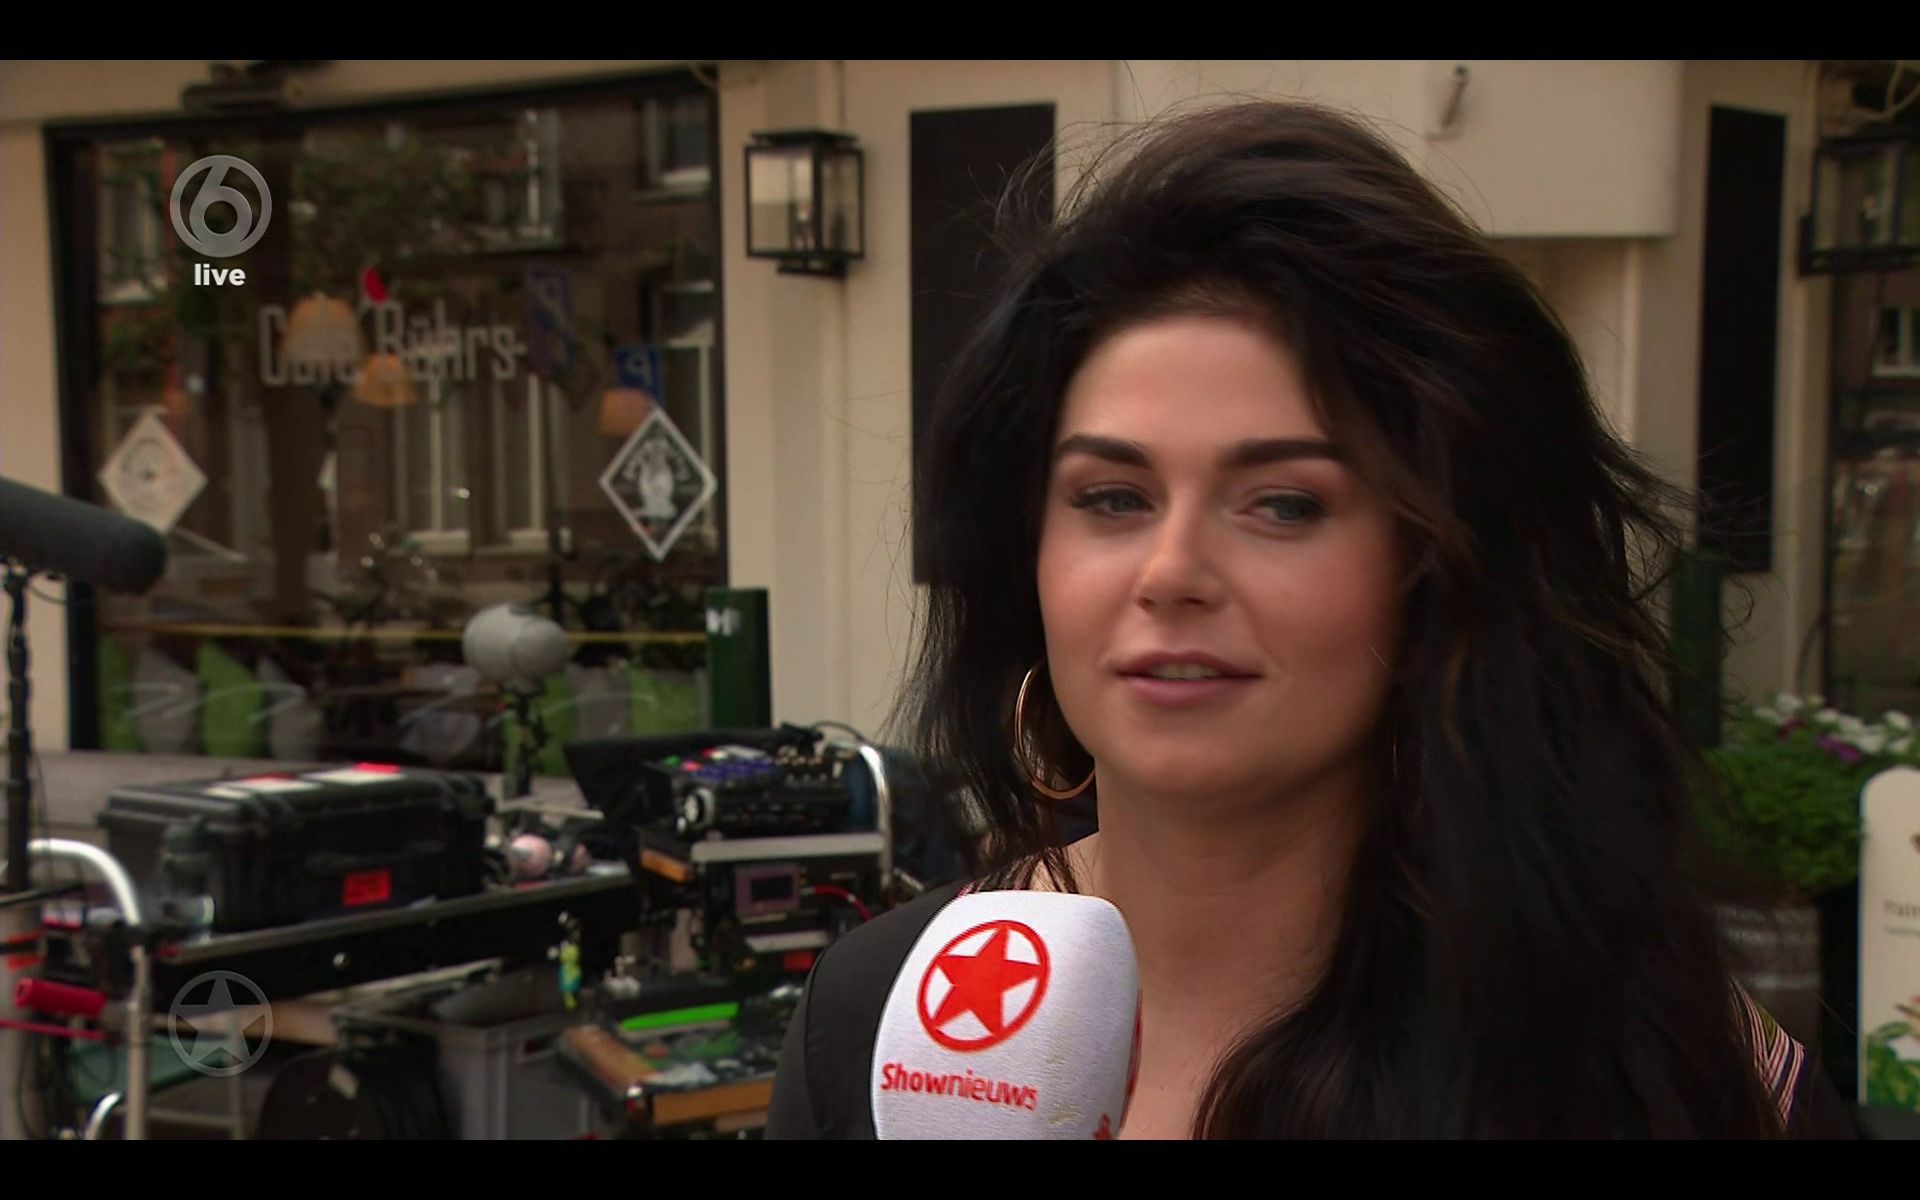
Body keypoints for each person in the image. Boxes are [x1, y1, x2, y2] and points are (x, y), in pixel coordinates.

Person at [765, 99, 1858, 1139]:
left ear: (1436, 568)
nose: (1172, 573)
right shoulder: (882, 1019)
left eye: (1284, 504)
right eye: (1113, 497)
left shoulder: (1642, 1069)